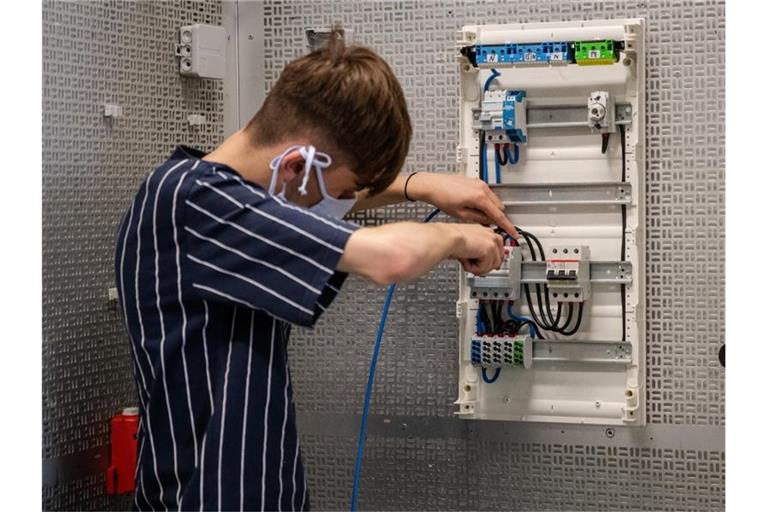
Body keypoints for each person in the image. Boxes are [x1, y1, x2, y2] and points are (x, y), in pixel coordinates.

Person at [114, 29, 516, 511]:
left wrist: (420, 186)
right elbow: (391, 258)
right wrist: (459, 238)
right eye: (339, 191)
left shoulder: (214, 197)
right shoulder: (194, 203)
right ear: (294, 166)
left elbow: (309, 197)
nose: (338, 207)